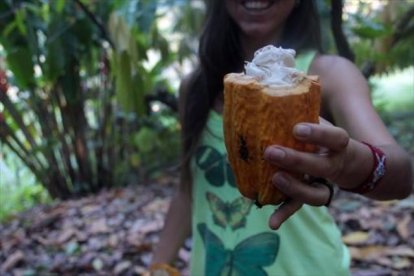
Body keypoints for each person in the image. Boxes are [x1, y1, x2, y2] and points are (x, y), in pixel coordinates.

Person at [150, 0, 413, 275]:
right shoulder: (194, 88)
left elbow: (402, 174)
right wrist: (157, 266)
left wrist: (351, 163)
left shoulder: (329, 74)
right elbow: (188, 191)